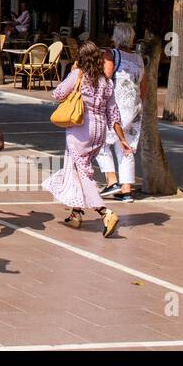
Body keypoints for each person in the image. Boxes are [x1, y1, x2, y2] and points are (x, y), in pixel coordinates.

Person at [45, 40, 123, 238]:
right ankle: (76, 213)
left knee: (83, 173)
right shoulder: (106, 81)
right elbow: (113, 113)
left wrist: (73, 71)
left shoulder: (79, 75)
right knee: (77, 168)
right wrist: (122, 139)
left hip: (80, 130)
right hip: (99, 132)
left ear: (80, 58)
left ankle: (105, 212)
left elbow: (58, 94)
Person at [99, 23, 145, 203]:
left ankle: (112, 182)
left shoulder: (112, 54)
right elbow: (144, 86)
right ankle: (126, 190)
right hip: (134, 107)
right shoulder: (138, 59)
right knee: (126, 146)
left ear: (116, 37)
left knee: (100, 142)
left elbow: (105, 79)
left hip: (116, 107)